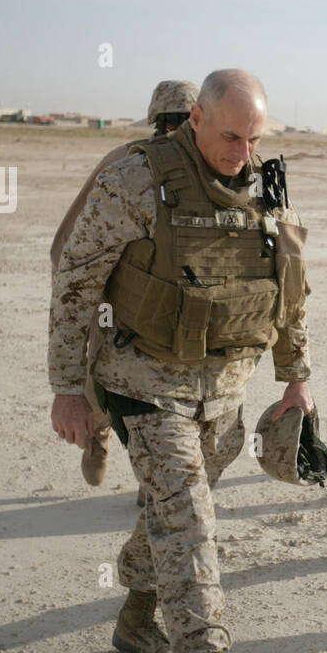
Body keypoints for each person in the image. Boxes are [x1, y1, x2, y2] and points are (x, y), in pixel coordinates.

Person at [49, 69, 313, 653]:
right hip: (144, 382)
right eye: (230, 136)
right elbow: (75, 278)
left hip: (222, 393)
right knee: (190, 521)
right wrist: (68, 389)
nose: (241, 153)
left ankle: (136, 619)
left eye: (254, 139)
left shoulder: (265, 184)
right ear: (195, 116)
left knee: (167, 515)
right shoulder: (136, 177)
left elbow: (288, 291)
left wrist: (296, 380)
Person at [50, 80, 199, 501]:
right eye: (172, 122)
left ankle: (155, 481)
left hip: (174, 309)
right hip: (115, 304)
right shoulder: (126, 163)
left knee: (166, 399)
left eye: (185, 121)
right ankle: (99, 437)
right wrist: (83, 293)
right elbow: (68, 242)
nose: (177, 129)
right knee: (106, 384)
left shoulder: (207, 166)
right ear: (157, 123)